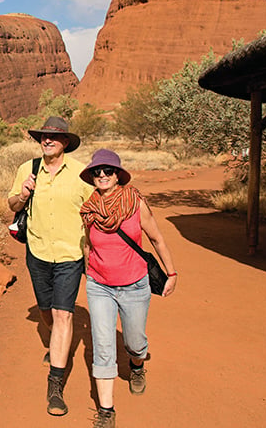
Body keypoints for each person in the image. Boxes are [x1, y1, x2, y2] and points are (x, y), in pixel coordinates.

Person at [79, 149, 177, 428]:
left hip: (135, 285)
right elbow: (88, 243)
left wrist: (171, 273)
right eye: (97, 172)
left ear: (118, 174)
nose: (102, 176)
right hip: (100, 287)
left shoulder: (135, 203)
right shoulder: (90, 209)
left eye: (108, 171)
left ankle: (137, 366)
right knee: (103, 346)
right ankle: (106, 412)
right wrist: (90, 271)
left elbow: (156, 239)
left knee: (135, 343)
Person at [7, 116, 93, 416]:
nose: (47, 140)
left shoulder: (82, 174)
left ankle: (55, 384)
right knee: (47, 311)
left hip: (70, 255)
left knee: (63, 314)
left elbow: (96, 211)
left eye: (53, 137)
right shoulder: (27, 170)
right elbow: (13, 206)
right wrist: (23, 194)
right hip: (38, 252)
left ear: (65, 142)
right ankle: (58, 342)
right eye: (43, 136)